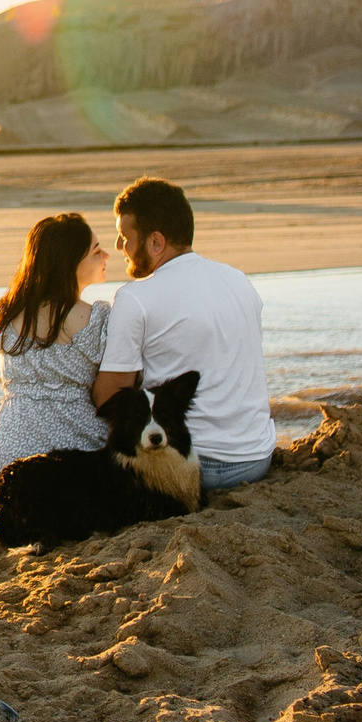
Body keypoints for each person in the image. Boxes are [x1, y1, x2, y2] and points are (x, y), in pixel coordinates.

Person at [91, 176, 277, 492]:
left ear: (156, 242)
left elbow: (107, 397)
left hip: (190, 467)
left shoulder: (136, 297)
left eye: (125, 236)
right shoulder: (238, 280)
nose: (119, 246)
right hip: (256, 457)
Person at [0, 213, 113, 518]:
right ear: (69, 262)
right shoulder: (96, 318)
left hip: (10, 438)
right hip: (74, 441)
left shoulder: (7, 313)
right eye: (96, 250)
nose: (106, 255)